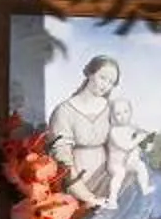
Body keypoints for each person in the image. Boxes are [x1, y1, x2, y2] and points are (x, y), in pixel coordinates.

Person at [44, 55, 119, 204]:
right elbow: (62, 160)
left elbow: (119, 145)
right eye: (103, 78)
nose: (106, 85)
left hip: (107, 177)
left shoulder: (110, 109)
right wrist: (87, 196)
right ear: (90, 73)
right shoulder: (64, 111)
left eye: (111, 82)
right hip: (78, 181)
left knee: (153, 183)